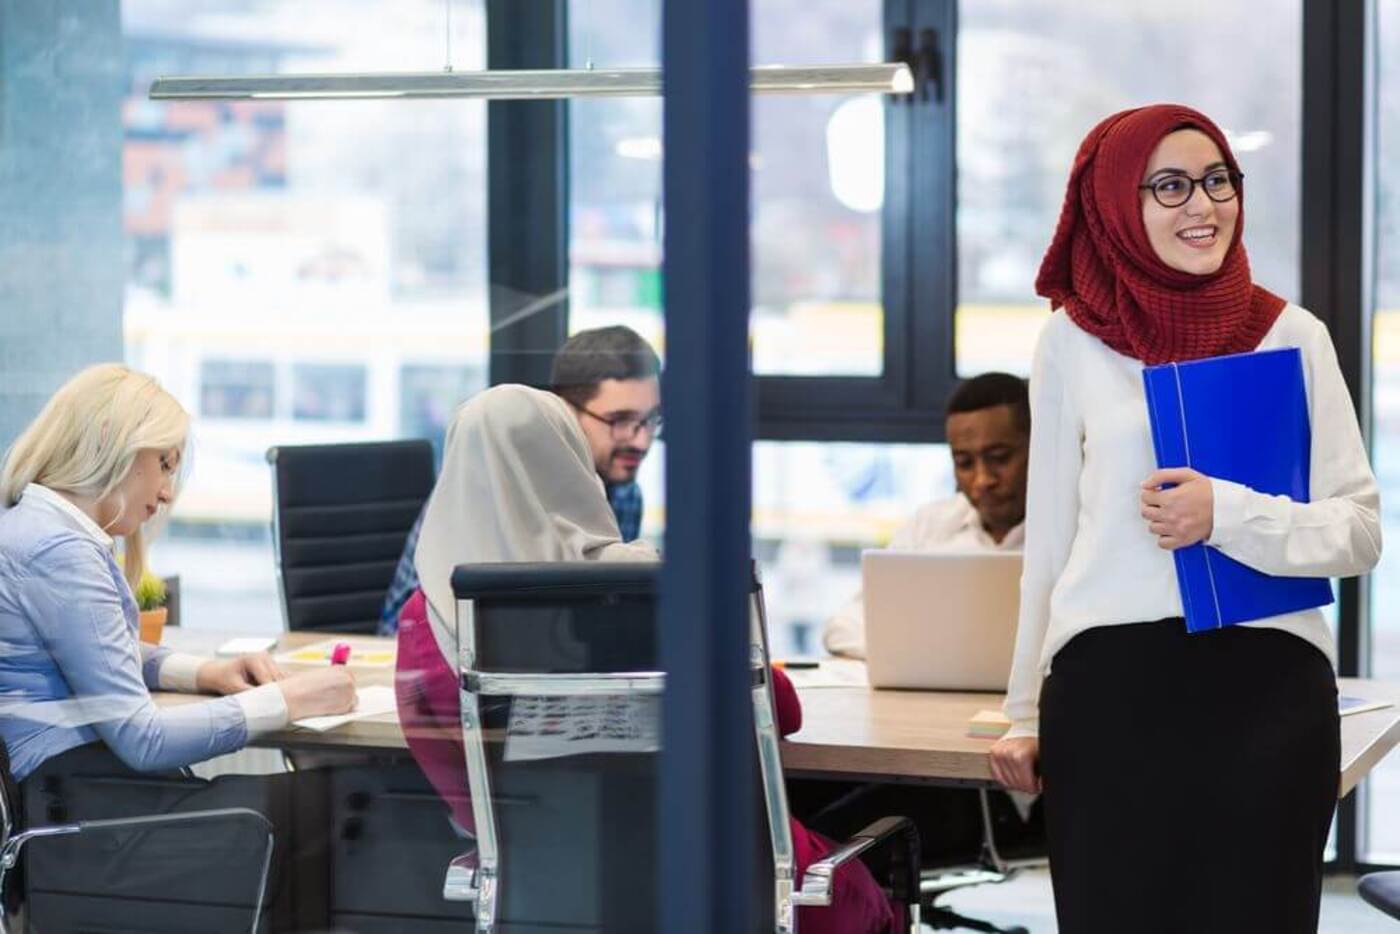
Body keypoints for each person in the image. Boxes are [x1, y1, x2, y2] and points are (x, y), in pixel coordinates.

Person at [988, 104, 1381, 934]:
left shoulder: (1291, 334)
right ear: (1115, 206)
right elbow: (1049, 540)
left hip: (1267, 697)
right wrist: (1022, 712)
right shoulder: (1071, 343)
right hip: (1109, 697)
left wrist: (1226, 514)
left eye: (1217, 181)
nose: (1202, 207)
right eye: (1168, 187)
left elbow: (1358, 531)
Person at [394, 384, 896, 933]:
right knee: (865, 889)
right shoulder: (646, 588)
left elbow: (446, 764)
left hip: (549, 898)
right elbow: (779, 712)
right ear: (569, 464)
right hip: (717, 882)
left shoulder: (428, 620)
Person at [0, 363, 355, 783]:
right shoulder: (61, 552)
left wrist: (205, 673)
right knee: (336, 807)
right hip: (86, 804)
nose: (167, 493)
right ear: (110, 443)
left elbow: (97, 650)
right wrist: (288, 700)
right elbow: (144, 739)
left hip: (73, 794)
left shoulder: (31, 525)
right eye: (164, 464)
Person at [377, 325, 662, 633]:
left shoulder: (625, 493)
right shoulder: (490, 486)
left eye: (650, 420)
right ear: (561, 412)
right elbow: (408, 627)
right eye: (620, 421)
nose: (641, 441)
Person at [823, 371, 1030, 658]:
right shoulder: (930, 526)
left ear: (1039, 448)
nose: (982, 479)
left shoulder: (1079, 533)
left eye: (999, 458)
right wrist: (927, 657)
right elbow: (844, 627)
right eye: (964, 463)